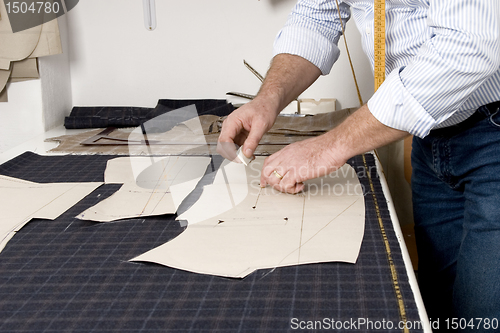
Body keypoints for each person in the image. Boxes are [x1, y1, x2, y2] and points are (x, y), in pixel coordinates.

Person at [217, 0, 500, 330]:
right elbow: (316, 17)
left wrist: (330, 147)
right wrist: (267, 99)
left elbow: (470, 45)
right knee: (434, 308)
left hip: (492, 132)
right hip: (430, 135)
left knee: (480, 316)